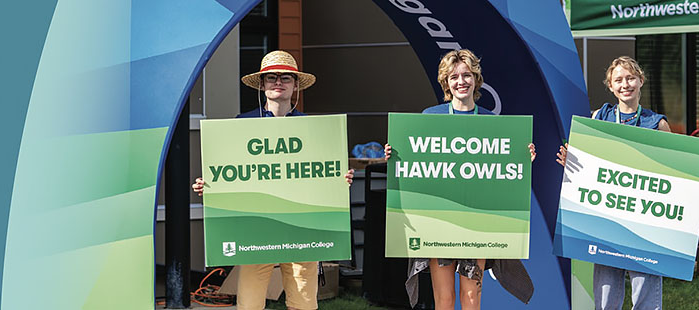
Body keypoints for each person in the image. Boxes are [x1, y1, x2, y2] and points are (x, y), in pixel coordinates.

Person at [191, 50, 352, 310]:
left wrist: (339, 179)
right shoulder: (242, 124)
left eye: (285, 77)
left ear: (296, 84)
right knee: (250, 301)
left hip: (302, 225)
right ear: (263, 85)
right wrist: (209, 185)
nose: (278, 82)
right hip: (257, 225)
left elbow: (323, 173)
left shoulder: (312, 129)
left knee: (303, 300)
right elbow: (228, 172)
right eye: (271, 78)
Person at [556, 56, 699, 310]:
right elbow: (587, 164)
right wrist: (572, 163)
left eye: (630, 78)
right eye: (618, 80)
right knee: (606, 299)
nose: (625, 84)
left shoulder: (657, 124)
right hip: (607, 222)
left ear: (641, 81)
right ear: (610, 86)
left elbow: (677, 170)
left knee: (646, 298)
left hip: (646, 228)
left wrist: (698, 185)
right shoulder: (600, 118)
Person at [385, 49, 537, 310]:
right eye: (454, 77)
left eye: (467, 75)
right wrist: (396, 154)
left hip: (478, 223)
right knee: (443, 299)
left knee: (471, 296)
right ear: (446, 82)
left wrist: (522, 160)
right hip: (437, 223)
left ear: (476, 80)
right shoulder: (430, 117)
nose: (461, 81)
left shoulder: (492, 122)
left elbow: (502, 174)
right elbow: (416, 168)